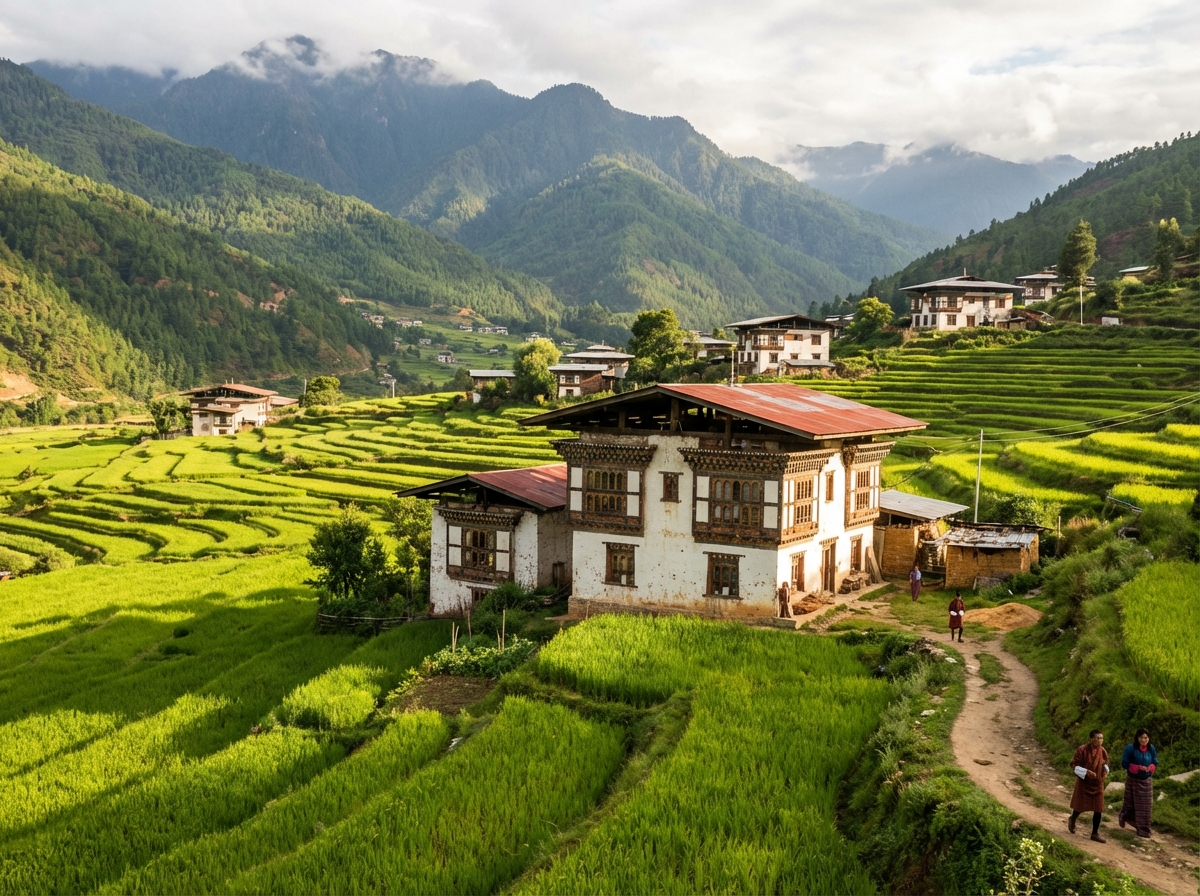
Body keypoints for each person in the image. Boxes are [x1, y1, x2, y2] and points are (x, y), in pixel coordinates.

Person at [1069, 729, 1109, 842]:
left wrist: (1105, 772)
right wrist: (1086, 772)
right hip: (1084, 783)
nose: (1100, 741)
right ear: (1091, 739)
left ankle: (1095, 833)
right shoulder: (1082, 750)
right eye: (1098, 738)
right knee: (1080, 805)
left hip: (1098, 783)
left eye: (1102, 738)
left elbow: (1106, 763)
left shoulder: (1102, 751)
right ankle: (1072, 820)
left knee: (1099, 808)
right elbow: (1074, 764)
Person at [1119, 728, 1157, 838]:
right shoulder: (1130, 748)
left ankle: (1144, 829)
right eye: (1141, 737)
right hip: (1133, 781)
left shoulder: (1151, 748)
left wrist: (1151, 767)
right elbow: (1125, 763)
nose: (1144, 740)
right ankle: (1126, 817)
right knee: (1130, 803)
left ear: (1148, 738)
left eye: (1146, 738)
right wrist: (1137, 767)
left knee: (1146, 806)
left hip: (1146, 781)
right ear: (1137, 738)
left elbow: (1155, 760)